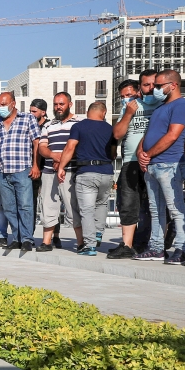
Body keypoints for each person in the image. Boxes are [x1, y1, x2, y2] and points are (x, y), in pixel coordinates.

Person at [135, 69, 185, 264]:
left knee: (175, 208)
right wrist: (140, 152)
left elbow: (172, 135)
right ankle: (157, 248)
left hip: (169, 164)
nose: (155, 89)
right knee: (155, 210)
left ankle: (182, 249)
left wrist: (148, 154)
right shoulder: (160, 107)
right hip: (152, 165)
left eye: (159, 86)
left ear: (173, 85)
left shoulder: (182, 105)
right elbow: (150, 133)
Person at [109, 71, 159, 258]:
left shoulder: (159, 104)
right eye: (122, 97)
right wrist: (129, 112)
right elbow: (117, 134)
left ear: (139, 90)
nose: (126, 99)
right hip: (130, 161)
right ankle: (127, 245)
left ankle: (152, 242)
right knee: (128, 204)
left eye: (129, 95)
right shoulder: (128, 108)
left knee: (152, 205)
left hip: (152, 161)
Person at [59, 102, 114, 256]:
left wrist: (61, 167)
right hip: (107, 171)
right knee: (102, 204)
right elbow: (113, 152)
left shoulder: (79, 126)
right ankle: (98, 233)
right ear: (104, 112)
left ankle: (89, 246)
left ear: (89, 112)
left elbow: (70, 147)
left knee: (87, 210)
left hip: (87, 172)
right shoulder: (110, 128)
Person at [0, 91, 41, 251]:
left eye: (3, 104)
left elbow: (36, 142)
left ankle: (27, 239)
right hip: (2, 171)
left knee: (25, 206)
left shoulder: (27, 118)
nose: (1, 108)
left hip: (22, 169)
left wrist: (36, 165)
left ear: (13, 104)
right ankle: (17, 238)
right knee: (9, 207)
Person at [37, 92, 84, 251]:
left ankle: (80, 243)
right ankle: (46, 242)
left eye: (61, 104)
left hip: (70, 171)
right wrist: (53, 156)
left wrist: (63, 161)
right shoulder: (48, 125)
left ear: (70, 104)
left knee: (73, 207)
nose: (58, 107)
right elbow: (42, 148)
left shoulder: (79, 122)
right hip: (49, 172)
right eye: (56, 104)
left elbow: (80, 148)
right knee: (48, 206)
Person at [28, 98, 53, 242]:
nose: (31, 114)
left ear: (43, 112)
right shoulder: (29, 125)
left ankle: (54, 236)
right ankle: (28, 235)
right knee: (30, 203)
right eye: (30, 111)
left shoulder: (49, 126)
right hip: (32, 169)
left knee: (50, 203)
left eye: (34, 111)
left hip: (47, 168)